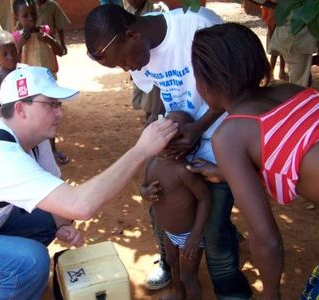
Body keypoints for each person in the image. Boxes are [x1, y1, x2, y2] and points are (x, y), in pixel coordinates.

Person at [0, 65, 177, 300]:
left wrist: (62, 224)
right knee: (31, 263)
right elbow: (80, 205)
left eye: (59, 104)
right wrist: (140, 150)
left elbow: (64, 209)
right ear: (21, 108)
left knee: (47, 219)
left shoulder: (35, 140)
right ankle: (6, 276)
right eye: (51, 104)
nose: (60, 112)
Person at [84, 5, 252, 299]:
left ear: (133, 34)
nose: (129, 70)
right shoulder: (139, 54)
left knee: (215, 227)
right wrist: (155, 127)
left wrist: (198, 128)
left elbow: (237, 86)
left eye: (124, 61)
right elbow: (164, 96)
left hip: (219, 139)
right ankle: (168, 262)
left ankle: (229, 286)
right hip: (176, 140)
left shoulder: (197, 25)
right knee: (160, 204)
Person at [191, 22, 319, 299]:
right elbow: (291, 152)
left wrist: (271, 294)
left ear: (208, 83)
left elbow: (266, 239)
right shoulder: (291, 91)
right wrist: (227, 172)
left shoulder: (230, 135)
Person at [141, 111, 211, 299]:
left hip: (189, 234)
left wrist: (196, 236)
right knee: (173, 263)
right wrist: (146, 193)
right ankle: (178, 292)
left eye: (175, 132)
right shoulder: (153, 162)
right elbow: (143, 187)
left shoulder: (184, 170)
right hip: (168, 232)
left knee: (189, 276)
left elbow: (205, 199)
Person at [12, 0, 69, 164]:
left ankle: (52, 150)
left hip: (48, 85)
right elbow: (12, 61)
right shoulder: (16, 37)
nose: (31, 19)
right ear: (18, 17)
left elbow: (60, 51)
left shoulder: (46, 31)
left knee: (51, 116)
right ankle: (31, 152)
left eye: (33, 15)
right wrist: (20, 44)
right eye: (25, 16)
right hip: (29, 87)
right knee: (30, 118)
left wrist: (50, 40)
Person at [123, 0, 168, 122]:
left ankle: (153, 117)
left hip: (155, 62)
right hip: (138, 63)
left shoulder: (159, 9)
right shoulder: (127, 11)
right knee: (143, 93)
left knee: (154, 98)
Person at [260, 5, 288, 81]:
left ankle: (281, 72)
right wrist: (271, 31)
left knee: (282, 51)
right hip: (274, 28)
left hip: (280, 28)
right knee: (274, 53)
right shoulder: (270, 4)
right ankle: (270, 74)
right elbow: (268, 18)